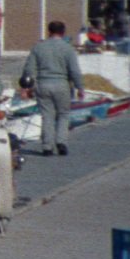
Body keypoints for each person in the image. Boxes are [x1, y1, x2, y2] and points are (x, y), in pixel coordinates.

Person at [18, 20, 83, 157]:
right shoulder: (68, 49)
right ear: (63, 32)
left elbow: (29, 69)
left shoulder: (38, 47)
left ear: (49, 31)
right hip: (62, 84)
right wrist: (79, 87)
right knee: (63, 115)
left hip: (43, 84)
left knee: (47, 115)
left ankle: (47, 146)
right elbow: (74, 71)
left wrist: (26, 87)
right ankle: (61, 142)